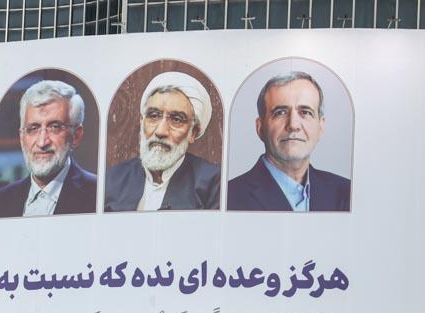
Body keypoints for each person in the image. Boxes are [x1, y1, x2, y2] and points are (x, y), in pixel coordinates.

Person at [227, 72, 351, 212]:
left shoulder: (346, 193)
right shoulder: (229, 196)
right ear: (260, 127)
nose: (293, 125)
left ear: (321, 127)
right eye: (280, 112)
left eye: (305, 112)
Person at [104, 73, 220, 212]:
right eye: (153, 116)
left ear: (193, 132)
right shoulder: (112, 178)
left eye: (176, 119)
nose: (160, 131)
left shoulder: (213, 183)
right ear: (142, 122)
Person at [0, 79, 97, 218]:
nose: (42, 142)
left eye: (55, 127)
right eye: (33, 128)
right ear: (22, 137)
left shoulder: (99, 194)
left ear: (76, 136)